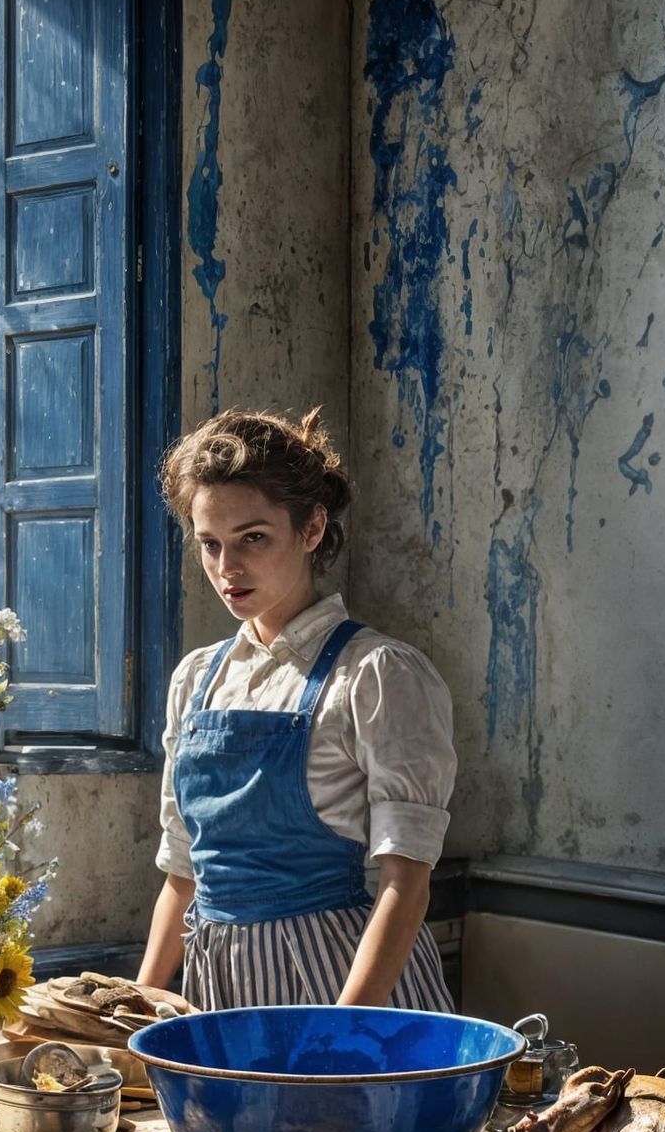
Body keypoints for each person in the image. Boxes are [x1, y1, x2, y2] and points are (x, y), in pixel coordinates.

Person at [136, 407, 456, 1012]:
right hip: (221, 989)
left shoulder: (376, 674)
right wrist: (132, 1014)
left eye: (253, 538)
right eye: (211, 544)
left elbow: (406, 883)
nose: (227, 568)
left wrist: (343, 1031)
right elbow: (182, 874)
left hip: (342, 982)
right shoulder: (197, 679)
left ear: (311, 529)